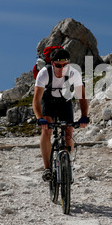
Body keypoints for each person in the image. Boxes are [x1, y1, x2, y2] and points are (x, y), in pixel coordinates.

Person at [32, 49, 89, 181]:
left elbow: (82, 97)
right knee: (47, 130)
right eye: (58, 65)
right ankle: (47, 168)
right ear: (52, 64)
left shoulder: (74, 73)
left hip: (65, 101)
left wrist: (84, 116)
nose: (62, 68)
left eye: (65, 65)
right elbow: (36, 101)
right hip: (48, 102)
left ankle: (67, 164)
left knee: (69, 133)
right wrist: (40, 118)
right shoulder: (44, 73)